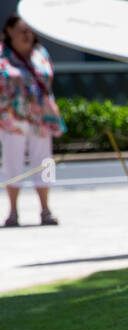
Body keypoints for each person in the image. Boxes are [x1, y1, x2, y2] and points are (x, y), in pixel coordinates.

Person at [1, 14, 64, 227]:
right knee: (12, 162)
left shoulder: (40, 53)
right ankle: (12, 211)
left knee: (45, 162)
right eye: (22, 31)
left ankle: (46, 209)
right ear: (9, 31)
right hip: (13, 118)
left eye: (30, 31)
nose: (28, 35)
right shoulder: (3, 54)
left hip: (41, 118)